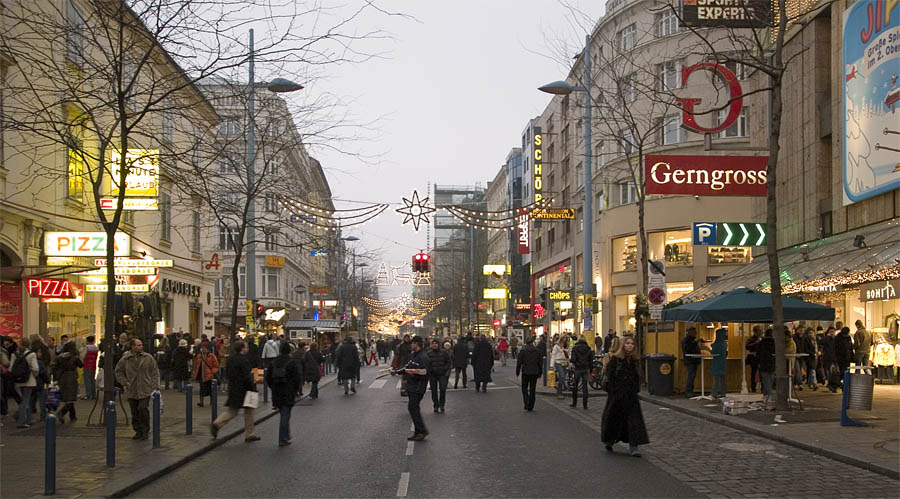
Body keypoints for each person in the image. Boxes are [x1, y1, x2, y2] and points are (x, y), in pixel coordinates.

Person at [601, 337, 649, 457]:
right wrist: (614, 391)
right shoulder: (615, 360)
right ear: (623, 345)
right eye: (627, 343)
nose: (630, 346)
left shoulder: (634, 361)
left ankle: (634, 446)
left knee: (633, 422)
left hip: (631, 397)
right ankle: (610, 441)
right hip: (617, 396)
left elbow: (637, 377)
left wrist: (635, 390)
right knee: (614, 419)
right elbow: (610, 377)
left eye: (632, 344)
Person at [211, 340, 260, 442]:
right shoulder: (244, 361)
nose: (247, 349)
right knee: (249, 412)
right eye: (246, 347)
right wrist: (253, 388)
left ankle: (217, 424)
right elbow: (247, 377)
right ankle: (249, 434)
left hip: (233, 388)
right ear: (242, 348)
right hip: (245, 390)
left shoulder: (231, 359)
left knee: (232, 411)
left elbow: (228, 374)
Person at [114, 338, 159, 440]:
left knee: (143, 409)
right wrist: (124, 382)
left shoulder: (148, 358)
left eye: (141, 345)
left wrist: (155, 386)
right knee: (134, 412)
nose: (140, 347)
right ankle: (138, 431)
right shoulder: (125, 359)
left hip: (145, 388)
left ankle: (145, 431)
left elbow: (155, 372)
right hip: (132, 389)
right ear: (132, 347)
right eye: (138, 345)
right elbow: (118, 371)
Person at [392, 335, 430, 441]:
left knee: (413, 408)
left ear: (416, 344)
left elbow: (425, 371)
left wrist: (412, 371)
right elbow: (407, 366)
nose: (410, 345)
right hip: (412, 386)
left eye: (412, 343)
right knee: (413, 408)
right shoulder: (415, 355)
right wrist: (395, 371)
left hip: (418, 387)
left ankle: (421, 430)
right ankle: (419, 431)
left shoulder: (423, 357)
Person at [265, 342, 301, 447]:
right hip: (288, 390)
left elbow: (268, 378)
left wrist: (273, 387)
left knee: (283, 413)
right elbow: (297, 378)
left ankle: (286, 434)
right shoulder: (291, 362)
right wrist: (296, 390)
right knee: (285, 415)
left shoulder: (274, 362)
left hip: (277, 391)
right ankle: (283, 438)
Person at [10, 336, 39, 428]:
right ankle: (22, 421)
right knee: (26, 401)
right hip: (29, 380)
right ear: (29, 344)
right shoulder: (32, 354)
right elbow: (35, 368)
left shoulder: (14, 354)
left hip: (17, 381)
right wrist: (34, 375)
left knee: (24, 400)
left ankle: (28, 419)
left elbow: (11, 368)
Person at [52, 341, 83, 423]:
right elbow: (81, 365)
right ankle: (61, 413)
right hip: (72, 378)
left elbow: (54, 368)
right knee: (71, 398)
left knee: (68, 397)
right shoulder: (75, 358)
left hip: (62, 378)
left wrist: (55, 379)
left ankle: (73, 416)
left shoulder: (60, 357)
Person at [516, 338, 541, 411]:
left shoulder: (523, 351)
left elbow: (519, 362)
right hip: (534, 372)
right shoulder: (537, 351)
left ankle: (526, 403)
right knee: (533, 389)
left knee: (524, 388)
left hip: (525, 372)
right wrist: (540, 372)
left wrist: (517, 372)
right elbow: (540, 363)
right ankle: (531, 404)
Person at [426, 339, 451, 413]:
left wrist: (444, 369)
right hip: (433, 375)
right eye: (433, 343)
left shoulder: (444, 352)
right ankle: (436, 405)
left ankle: (442, 404)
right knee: (434, 391)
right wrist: (430, 370)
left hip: (442, 374)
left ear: (438, 344)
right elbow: (426, 363)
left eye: (436, 343)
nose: (434, 345)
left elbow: (448, 362)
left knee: (442, 389)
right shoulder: (429, 353)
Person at [570, 336, 594, 409]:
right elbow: (591, 361)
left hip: (578, 368)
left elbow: (573, 359)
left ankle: (574, 403)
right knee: (585, 387)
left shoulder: (575, 348)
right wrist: (591, 369)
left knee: (575, 386)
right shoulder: (588, 349)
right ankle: (585, 405)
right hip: (586, 368)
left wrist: (573, 362)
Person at [192, 342, 219, 407]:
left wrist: (213, 372)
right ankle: (201, 402)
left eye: (204, 348)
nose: (203, 349)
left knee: (210, 389)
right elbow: (196, 365)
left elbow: (216, 365)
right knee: (202, 389)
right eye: (202, 348)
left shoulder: (211, 356)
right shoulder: (199, 356)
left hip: (209, 375)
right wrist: (195, 373)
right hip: (201, 375)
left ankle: (212, 402)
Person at [681, 327, 701, 397]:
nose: (695, 334)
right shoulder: (686, 340)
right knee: (691, 376)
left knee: (692, 376)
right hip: (690, 361)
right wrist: (695, 342)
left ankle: (690, 391)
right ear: (689, 332)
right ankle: (688, 391)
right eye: (694, 332)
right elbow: (688, 349)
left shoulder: (690, 340)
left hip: (693, 360)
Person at [820, 326, 840, 392]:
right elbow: (821, 342)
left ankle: (833, 385)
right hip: (828, 358)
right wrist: (827, 336)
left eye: (833, 331)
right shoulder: (826, 339)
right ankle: (831, 385)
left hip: (835, 358)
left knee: (834, 372)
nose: (832, 333)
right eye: (831, 332)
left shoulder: (836, 339)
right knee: (829, 372)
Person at [758, 328, 776, 400]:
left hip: (763, 363)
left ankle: (767, 396)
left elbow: (758, 353)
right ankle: (767, 396)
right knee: (770, 380)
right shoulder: (775, 343)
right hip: (772, 363)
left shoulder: (761, 342)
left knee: (766, 380)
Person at [710, 328, 728, 398]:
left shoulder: (716, 343)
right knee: (723, 379)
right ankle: (723, 392)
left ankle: (714, 393)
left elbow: (713, 352)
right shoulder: (724, 343)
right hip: (723, 362)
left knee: (716, 379)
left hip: (716, 362)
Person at [745, 326, 763, 393]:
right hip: (754, 358)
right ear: (755, 332)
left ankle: (762, 388)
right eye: (759, 331)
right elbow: (747, 347)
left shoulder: (762, 339)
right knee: (754, 373)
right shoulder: (751, 339)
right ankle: (753, 387)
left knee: (761, 373)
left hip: (760, 358)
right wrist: (756, 343)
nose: (760, 332)